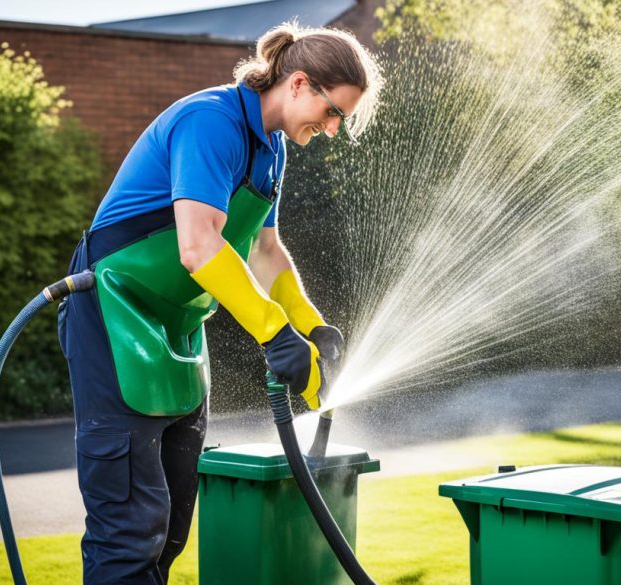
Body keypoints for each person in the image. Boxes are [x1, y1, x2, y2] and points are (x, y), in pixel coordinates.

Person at [57, 21, 383, 585]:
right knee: (130, 529)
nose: (332, 129)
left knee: (172, 525)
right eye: (333, 112)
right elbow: (198, 244)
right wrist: (273, 333)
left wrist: (310, 326)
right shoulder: (211, 123)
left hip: (180, 326)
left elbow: (264, 249)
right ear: (300, 83)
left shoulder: (273, 149)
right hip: (115, 314)